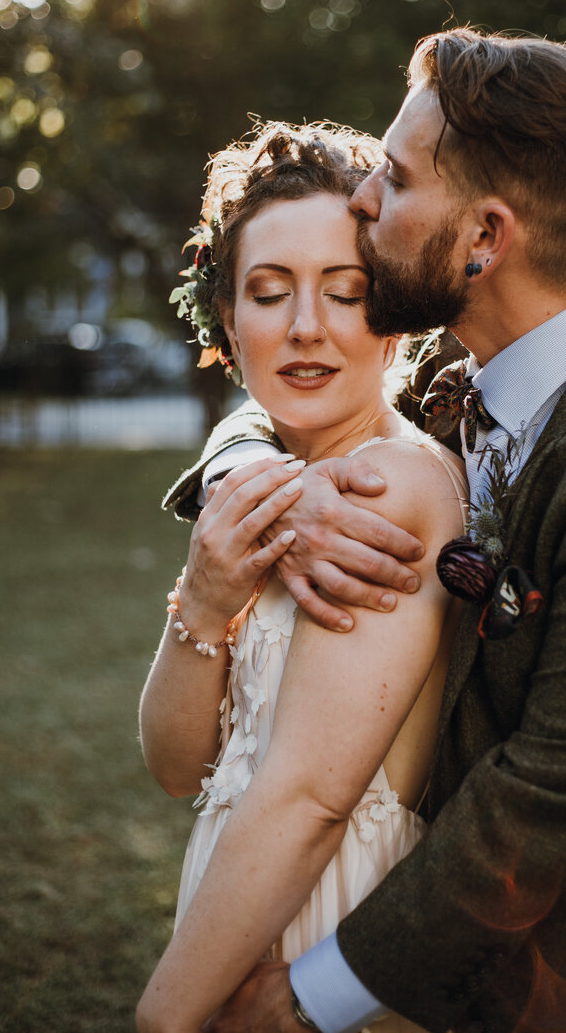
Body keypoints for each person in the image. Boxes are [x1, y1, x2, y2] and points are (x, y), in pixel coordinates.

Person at [169, 31, 566, 1033]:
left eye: (392, 181)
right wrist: (266, 478)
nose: (362, 201)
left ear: (484, 238)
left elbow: (547, 800)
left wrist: (308, 1000)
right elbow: (280, 403)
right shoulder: (477, 373)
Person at [136, 122, 468, 1033]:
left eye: (347, 293)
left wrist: (164, 1015)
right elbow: (177, 769)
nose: (305, 328)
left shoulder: (387, 488)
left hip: (326, 943)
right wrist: (203, 600)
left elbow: (313, 801)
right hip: (234, 913)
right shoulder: (262, 493)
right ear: (228, 322)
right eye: (270, 293)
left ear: (396, 312)